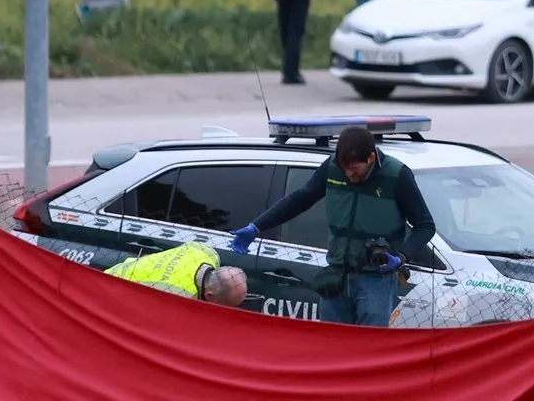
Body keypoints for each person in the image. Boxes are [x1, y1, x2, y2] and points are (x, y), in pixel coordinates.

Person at [229, 126, 436, 327]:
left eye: (355, 169)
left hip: (375, 281)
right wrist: (256, 227)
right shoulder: (332, 167)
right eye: (344, 168)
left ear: (371, 158)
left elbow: (425, 226)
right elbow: (299, 200)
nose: (349, 175)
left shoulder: (397, 175)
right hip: (335, 279)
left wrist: (400, 256)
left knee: (368, 350)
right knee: (333, 348)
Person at [104, 241, 248, 306]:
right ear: (209, 295)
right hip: (108, 291)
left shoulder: (206, 252)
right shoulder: (180, 297)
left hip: (113, 274)